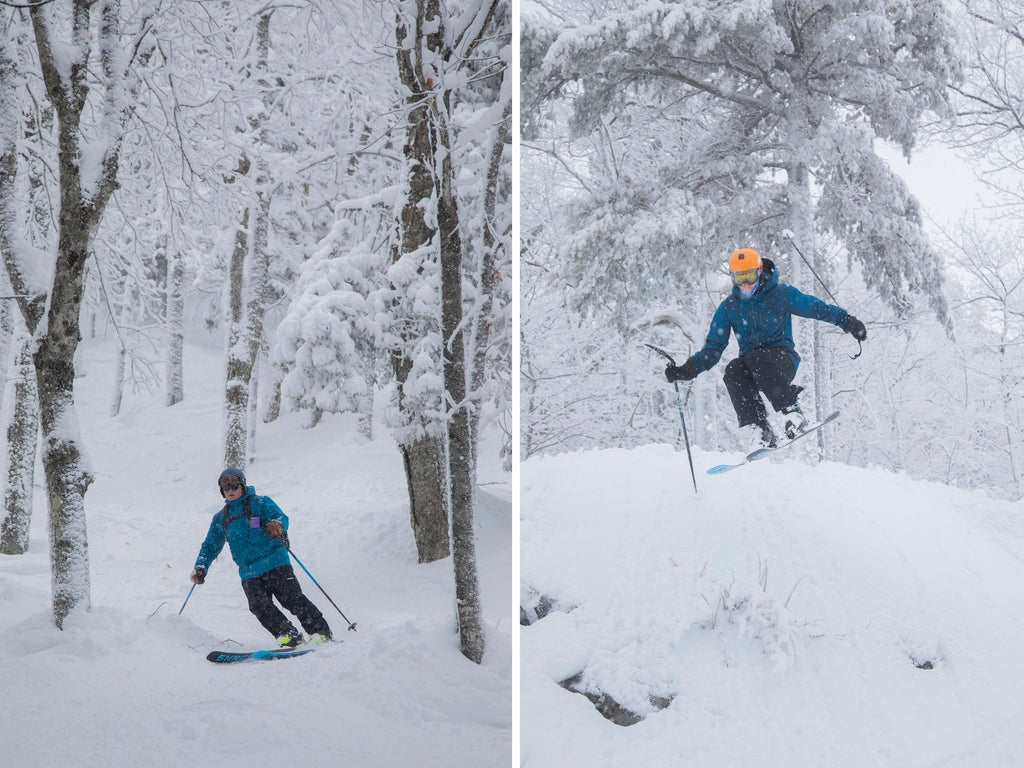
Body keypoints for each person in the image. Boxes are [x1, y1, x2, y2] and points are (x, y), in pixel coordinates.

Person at [665, 247, 867, 448]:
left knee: (755, 357)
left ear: (760, 272)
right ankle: (759, 429)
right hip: (754, 371)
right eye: (739, 278)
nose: (745, 284)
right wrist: (687, 370)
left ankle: (793, 413)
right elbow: (713, 348)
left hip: (782, 362)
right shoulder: (729, 307)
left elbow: (814, 307)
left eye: (750, 276)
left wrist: (847, 322)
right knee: (734, 368)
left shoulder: (780, 294)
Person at [190, 468, 332, 647]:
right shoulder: (221, 518)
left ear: (242, 485)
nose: (230, 490)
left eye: (234, 485)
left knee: (292, 599)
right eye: (226, 488)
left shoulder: (260, 503)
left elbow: (281, 517)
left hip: (275, 561)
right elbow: (210, 546)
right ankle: (287, 634)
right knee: (259, 606)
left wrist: (276, 525)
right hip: (248, 571)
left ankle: (320, 631)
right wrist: (200, 567)